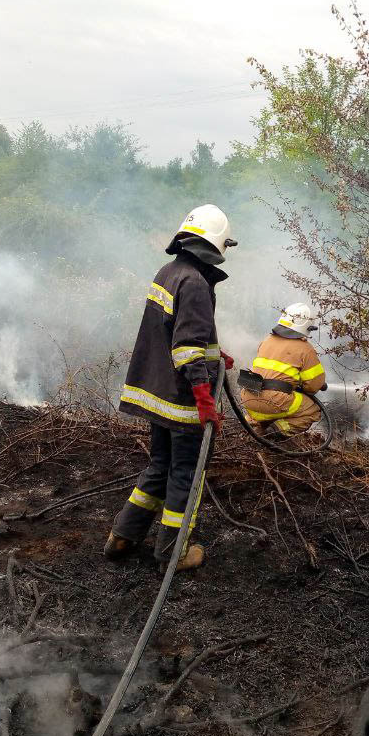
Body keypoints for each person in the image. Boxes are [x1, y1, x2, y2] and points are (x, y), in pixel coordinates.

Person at [104, 204, 236, 572]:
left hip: (157, 394)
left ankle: (123, 535)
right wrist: (204, 400)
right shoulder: (195, 283)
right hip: (182, 400)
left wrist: (214, 353)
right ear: (217, 244)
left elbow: (173, 331)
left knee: (159, 466)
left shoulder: (169, 272)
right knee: (186, 473)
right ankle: (172, 553)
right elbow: (187, 348)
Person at [238, 303, 326, 435]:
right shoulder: (305, 349)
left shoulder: (267, 341)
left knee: (271, 407)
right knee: (312, 410)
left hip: (249, 397)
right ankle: (273, 433)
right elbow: (313, 386)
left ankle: (251, 431)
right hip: (274, 401)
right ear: (307, 326)